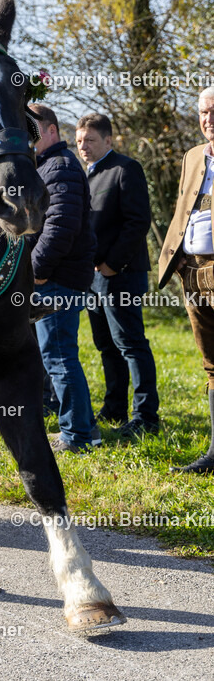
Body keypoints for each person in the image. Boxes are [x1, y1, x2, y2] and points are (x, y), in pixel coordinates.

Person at [76, 112, 160, 439]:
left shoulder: (126, 169)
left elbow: (138, 222)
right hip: (94, 278)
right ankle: (115, 408)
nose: (83, 146)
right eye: (80, 141)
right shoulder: (88, 173)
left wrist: (112, 263)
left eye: (91, 141)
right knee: (105, 346)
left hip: (120, 274)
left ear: (109, 140)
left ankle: (146, 416)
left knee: (130, 344)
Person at [29, 104, 100, 453]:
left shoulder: (61, 168)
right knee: (58, 355)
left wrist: (37, 273)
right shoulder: (48, 166)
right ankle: (86, 428)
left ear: (52, 131)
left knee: (59, 357)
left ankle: (76, 436)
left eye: (33, 130)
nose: (27, 137)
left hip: (56, 279)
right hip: (55, 277)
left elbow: (60, 228)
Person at [158, 86, 214, 474]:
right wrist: (175, 262)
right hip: (193, 273)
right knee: (212, 365)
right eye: (203, 112)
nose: (208, 119)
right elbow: (183, 210)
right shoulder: (193, 155)